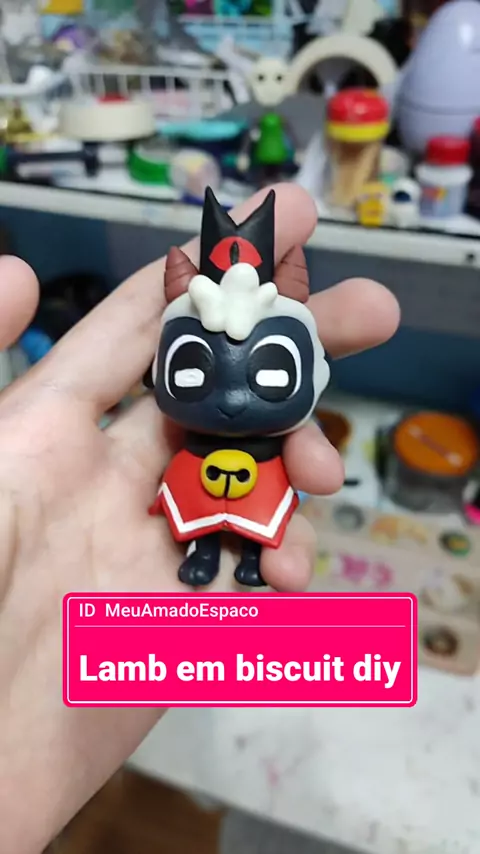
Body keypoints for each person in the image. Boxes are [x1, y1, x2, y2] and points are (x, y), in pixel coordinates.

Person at [0, 185, 399, 854]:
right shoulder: (174, 414)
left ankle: (245, 558)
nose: (235, 399)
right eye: (194, 372)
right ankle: (207, 555)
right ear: (160, 372)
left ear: (313, 376)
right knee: (194, 517)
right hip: (195, 471)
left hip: (259, 476)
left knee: (265, 526)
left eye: (269, 377)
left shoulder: (282, 405)